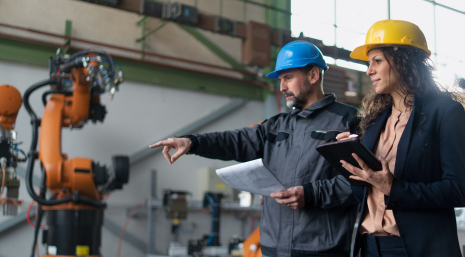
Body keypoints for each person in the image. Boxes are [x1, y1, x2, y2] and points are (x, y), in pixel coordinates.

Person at [150, 40, 360, 257]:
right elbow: (235, 141)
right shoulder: (277, 126)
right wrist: (193, 142)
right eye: (280, 80)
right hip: (272, 248)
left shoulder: (347, 122)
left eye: (288, 78)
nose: (282, 87)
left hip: (321, 250)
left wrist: (311, 194)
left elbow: (360, 182)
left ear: (313, 75)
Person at [337, 19, 465, 257]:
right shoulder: (373, 121)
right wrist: (350, 161)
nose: (369, 70)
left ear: (403, 61)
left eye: (377, 61)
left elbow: (460, 190)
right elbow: (364, 193)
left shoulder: (445, 112)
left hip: (414, 249)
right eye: (369, 63)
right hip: (368, 246)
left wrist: (394, 188)